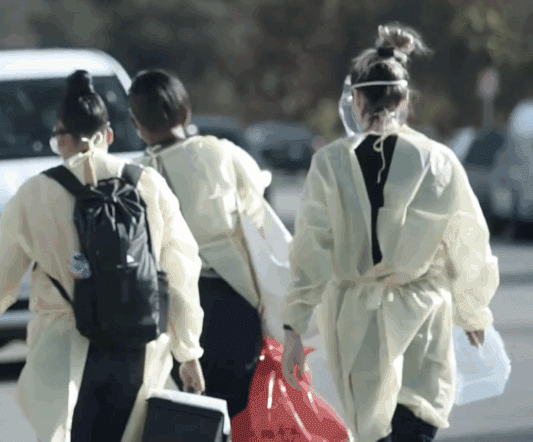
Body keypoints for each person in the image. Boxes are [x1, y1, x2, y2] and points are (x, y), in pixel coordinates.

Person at [0, 70, 207, 442]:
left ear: (61, 139)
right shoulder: (148, 184)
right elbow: (180, 269)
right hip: (139, 345)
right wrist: (188, 351)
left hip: (64, 348)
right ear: (109, 136)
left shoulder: (36, 192)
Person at [281, 24, 500, 442]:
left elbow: (311, 250)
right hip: (423, 315)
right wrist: (473, 309)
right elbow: (467, 240)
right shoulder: (439, 161)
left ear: (357, 100)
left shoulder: (330, 164)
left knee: (373, 430)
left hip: (357, 323)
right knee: (417, 422)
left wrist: (294, 327)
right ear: (404, 100)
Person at [128, 68, 272, 420]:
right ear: (185, 112)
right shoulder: (219, 152)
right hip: (232, 297)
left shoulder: (135, 175)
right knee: (240, 406)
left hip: (172, 305)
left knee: (201, 407)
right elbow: (258, 194)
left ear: (136, 123)